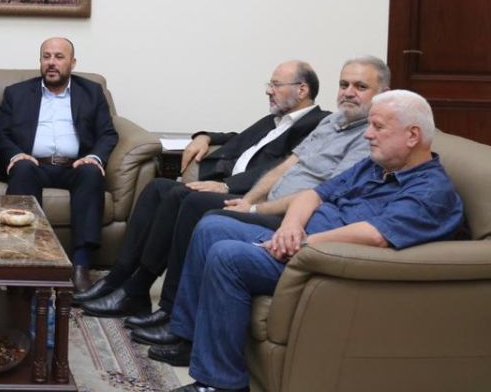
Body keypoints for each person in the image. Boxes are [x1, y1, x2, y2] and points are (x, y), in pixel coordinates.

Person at [160, 90, 464, 392]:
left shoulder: (431, 192)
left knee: (227, 256)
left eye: (378, 127)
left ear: (412, 136)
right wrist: (290, 226)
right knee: (212, 226)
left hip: (324, 262)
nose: (368, 135)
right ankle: (190, 339)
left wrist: (304, 243)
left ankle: (221, 384)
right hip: (302, 241)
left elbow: (375, 235)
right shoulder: (376, 166)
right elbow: (313, 194)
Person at [129, 57, 387, 350]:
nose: (348, 92)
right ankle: (144, 296)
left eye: (360, 86)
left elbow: (323, 193)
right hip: (266, 202)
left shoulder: (370, 137)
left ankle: (176, 318)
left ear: (383, 92)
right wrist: (248, 200)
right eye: (344, 84)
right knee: (176, 195)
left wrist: (254, 208)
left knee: (201, 212)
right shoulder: (332, 122)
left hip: (293, 217)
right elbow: (287, 165)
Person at [80, 60, 327, 318]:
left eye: (276, 85)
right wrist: (204, 136)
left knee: (181, 195)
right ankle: (117, 278)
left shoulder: (318, 124)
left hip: (252, 197)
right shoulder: (275, 120)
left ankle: (142, 291)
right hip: (230, 186)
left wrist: (225, 185)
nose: (269, 90)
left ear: (302, 90)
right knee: (157, 188)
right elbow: (238, 138)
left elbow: (284, 167)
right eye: (270, 84)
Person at [0, 37, 118, 294]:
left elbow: (107, 134)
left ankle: (80, 267)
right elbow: (1, 134)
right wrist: (16, 155)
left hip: (75, 166)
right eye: (46, 56)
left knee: (91, 173)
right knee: (22, 170)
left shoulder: (92, 92)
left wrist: (94, 157)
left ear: (73, 63)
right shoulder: (16, 93)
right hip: (33, 164)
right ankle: (23, 264)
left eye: (59, 57)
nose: (51, 62)